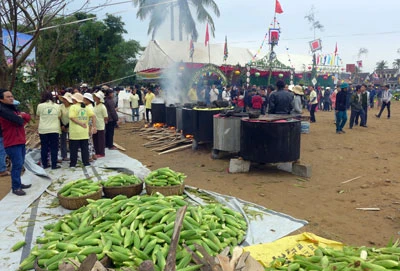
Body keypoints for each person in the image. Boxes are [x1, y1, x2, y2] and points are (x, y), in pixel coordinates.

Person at [0, 89, 31, 196]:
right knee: (17, 164)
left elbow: (27, 117)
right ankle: (16, 187)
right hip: (12, 142)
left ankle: (18, 183)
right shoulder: (3, 111)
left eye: (11, 96)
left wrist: (21, 116)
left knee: (20, 162)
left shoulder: (13, 109)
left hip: (20, 140)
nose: (11, 98)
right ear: (1, 99)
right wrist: (20, 117)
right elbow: (19, 121)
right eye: (8, 97)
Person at [69, 92, 96, 167]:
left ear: (75, 100)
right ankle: (86, 162)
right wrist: (94, 126)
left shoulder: (73, 107)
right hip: (84, 132)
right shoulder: (86, 107)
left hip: (75, 132)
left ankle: (73, 164)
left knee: (73, 149)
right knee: (85, 149)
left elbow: (72, 117)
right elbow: (94, 116)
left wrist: (80, 123)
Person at [37, 91, 61, 169]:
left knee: (44, 147)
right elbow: (59, 116)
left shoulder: (40, 106)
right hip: (54, 129)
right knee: (54, 147)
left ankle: (45, 164)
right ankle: (54, 164)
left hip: (43, 129)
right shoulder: (57, 106)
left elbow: (38, 114)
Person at [93, 92, 108, 158]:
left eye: (96, 97)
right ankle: (97, 152)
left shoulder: (102, 107)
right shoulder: (94, 105)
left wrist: (103, 122)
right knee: (95, 139)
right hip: (94, 125)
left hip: (100, 125)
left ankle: (101, 153)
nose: (95, 98)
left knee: (101, 140)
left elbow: (105, 117)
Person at [58, 92, 73, 161]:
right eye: (64, 99)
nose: (64, 101)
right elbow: (59, 116)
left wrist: (66, 126)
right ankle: (64, 155)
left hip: (71, 125)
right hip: (62, 126)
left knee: (72, 141)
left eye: (66, 99)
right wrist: (62, 125)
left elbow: (73, 118)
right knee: (63, 141)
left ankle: (73, 154)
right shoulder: (61, 106)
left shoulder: (72, 107)